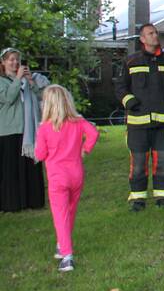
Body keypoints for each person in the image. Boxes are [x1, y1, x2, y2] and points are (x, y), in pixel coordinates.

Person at [115, 23, 164, 211]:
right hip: (138, 123)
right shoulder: (131, 61)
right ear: (142, 39)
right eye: (150, 33)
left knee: (162, 162)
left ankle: (163, 198)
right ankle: (138, 199)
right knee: (138, 163)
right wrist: (131, 103)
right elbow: (120, 87)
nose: (155, 36)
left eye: (155, 32)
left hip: (163, 123)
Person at [34, 85, 99, 272]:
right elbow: (93, 134)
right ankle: (61, 244)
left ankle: (67, 256)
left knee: (60, 215)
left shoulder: (45, 128)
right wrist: (85, 149)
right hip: (76, 174)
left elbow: (40, 153)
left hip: (57, 177)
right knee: (70, 211)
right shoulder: (78, 122)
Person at [0, 47, 46, 212]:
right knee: (11, 170)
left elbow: (41, 97)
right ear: (3, 63)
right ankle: (11, 203)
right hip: (8, 130)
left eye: (17, 59)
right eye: (11, 60)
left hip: (28, 130)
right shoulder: (2, 81)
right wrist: (18, 79)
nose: (15, 63)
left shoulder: (26, 80)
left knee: (29, 167)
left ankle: (32, 200)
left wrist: (30, 82)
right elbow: (8, 98)